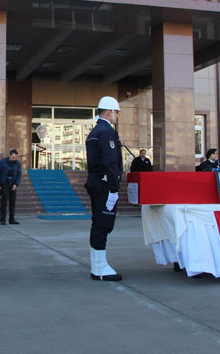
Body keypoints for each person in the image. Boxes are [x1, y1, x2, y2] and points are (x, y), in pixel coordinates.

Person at [85, 96, 124, 281]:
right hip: (104, 184)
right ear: (109, 112)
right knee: (103, 224)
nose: (117, 116)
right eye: (116, 112)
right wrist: (114, 189)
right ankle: (100, 268)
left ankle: (98, 266)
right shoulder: (106, 131)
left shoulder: (95, 131)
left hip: (96, 181)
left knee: (98, 223)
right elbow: (110, 161)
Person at [0, 149, 22, 225]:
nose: (14, 159)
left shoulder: (17, 163)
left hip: (13, 185)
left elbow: (19, 175)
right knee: (4, 202)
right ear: (9, 156)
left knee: (12, 202)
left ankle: (12, 219)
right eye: (13, 157)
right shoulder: (3, 162)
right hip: (5, 184)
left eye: (15, 157)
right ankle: (3, 219)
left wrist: (16, 184)